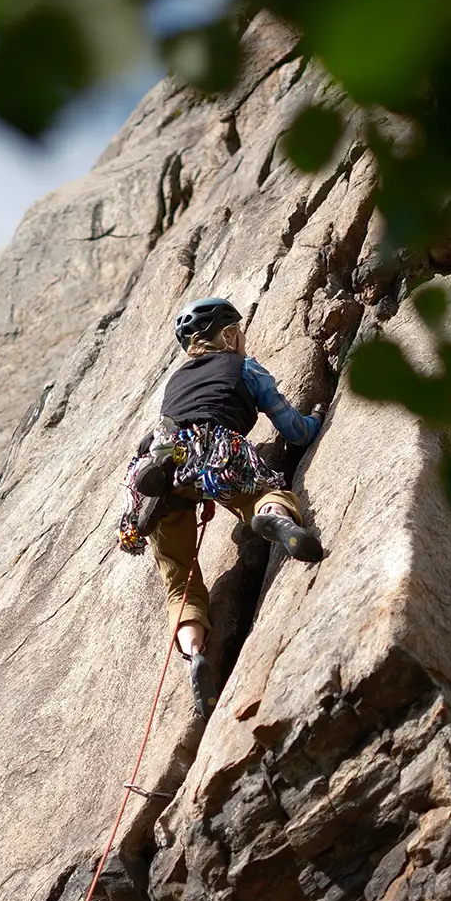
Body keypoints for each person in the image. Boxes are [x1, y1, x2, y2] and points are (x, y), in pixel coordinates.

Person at [118, 296, 326, 718]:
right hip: (216, 451)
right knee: (264, 493)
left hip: (164, 468)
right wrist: (316, 422)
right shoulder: (243, 368)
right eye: (241, 333)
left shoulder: (176, 383)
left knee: (180, 586)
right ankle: (270, 517)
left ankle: (194, 654)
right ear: (229, 334)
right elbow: (293, 429)